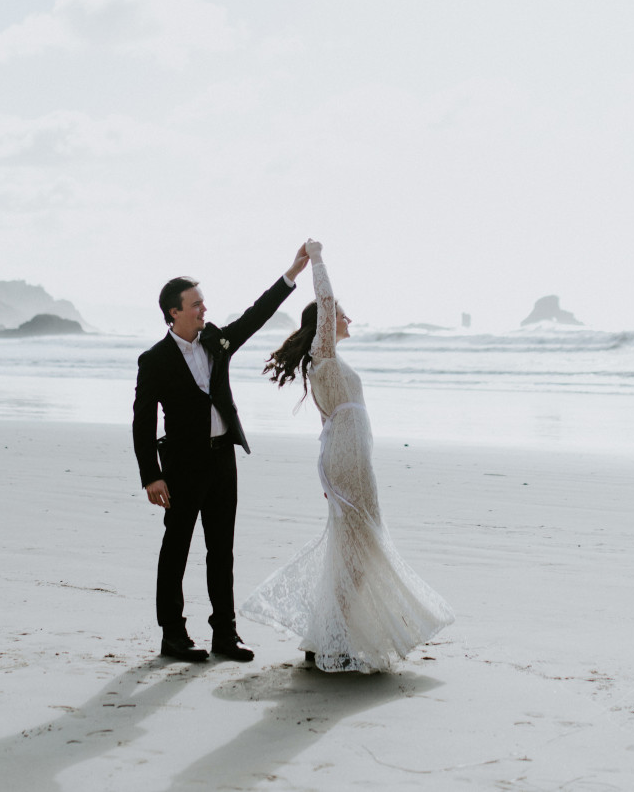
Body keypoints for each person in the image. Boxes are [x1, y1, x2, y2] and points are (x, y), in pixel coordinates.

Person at [243, 240, 454, 672]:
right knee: (361, 549)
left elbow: (327, 426)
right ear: (325, 322)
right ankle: (331, 637)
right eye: (342, 314)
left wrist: (327, 476)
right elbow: (323, 299)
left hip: (347, 459)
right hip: (349, 460)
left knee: (354, 549)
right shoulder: (324, 356)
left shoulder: (326, 365)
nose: (347, 318)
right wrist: (316, 260)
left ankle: (325, 634)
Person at [132, 244, 310, 662]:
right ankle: (173, 635)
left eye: (203, 303)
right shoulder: (154, 360)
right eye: (195, 304)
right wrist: (150, 475)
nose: (203, 309)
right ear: (173, 312)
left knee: (221, 550)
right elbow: (142, 421)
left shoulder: (216, 342)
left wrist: (292, 272)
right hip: (180, 467)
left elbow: (256, 314)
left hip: (221, 461)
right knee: (175, 549)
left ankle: (224, 635)